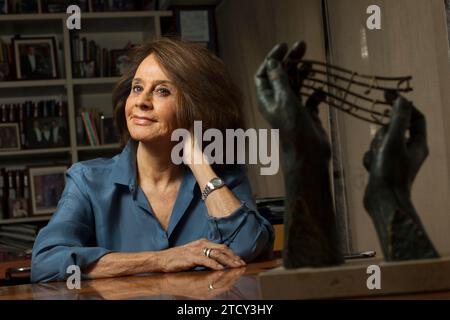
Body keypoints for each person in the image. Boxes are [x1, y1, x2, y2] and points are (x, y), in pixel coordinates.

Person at [31, 38, 274, 283]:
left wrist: (199, 163)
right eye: (137, 88)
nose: (141, 101)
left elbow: (247, 246)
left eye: (162, 91)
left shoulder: (224, 178)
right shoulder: (87, 181)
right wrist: (161, 260)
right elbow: (46, 264)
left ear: (196, 107)